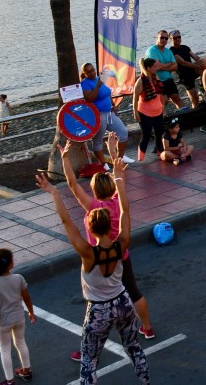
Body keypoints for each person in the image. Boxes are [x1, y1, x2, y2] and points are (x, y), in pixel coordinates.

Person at [33, 165, 150, 384]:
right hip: (123, 302)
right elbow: (125, 210)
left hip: (99, 310)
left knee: (89, 360)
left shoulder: (88, 254)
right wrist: (119, 178)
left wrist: (54, 192)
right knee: (133, 348)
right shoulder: (121, 244)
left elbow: (66, 221)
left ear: (91, 229)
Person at [60, 136, 157, 352]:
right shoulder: (119, 203)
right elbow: (120, 182)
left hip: (98, 260)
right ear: (112, 187)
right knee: (133, 291)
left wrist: (65, 158)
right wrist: (113, 155)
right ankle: (147, 327)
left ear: (94, 190)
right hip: (121, 255)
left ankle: (88, 347)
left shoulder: (93, 206)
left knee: (95, 305)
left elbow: (72, 184)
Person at [0, 248, 35, 385]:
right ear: (10, 265)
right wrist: (31, 312)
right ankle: (27, 371)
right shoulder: (19, 278)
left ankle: (9, 381)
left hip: (4, 322)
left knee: (5, 349)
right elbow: (26, 297)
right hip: (19, 317)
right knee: (21, 342)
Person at [79, 63, 134, 165]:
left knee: (123, 133)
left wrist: (113, 104)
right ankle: (103, 164)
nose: (92, 73)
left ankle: (120, 158)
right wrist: (97, 86)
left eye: (93, 70)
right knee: (98, 140)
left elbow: (107, 93)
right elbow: (89, 99)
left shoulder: (99, 78)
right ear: (84, 73)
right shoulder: (85, 83)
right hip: (98, 115)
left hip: (109, 112)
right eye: (89, 72)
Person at [169, 30, 206, 116]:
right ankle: (195, 113)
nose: (178, 39)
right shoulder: (171, 51)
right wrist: (198, 66)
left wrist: (204, 62)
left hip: (192, 70)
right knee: (194, 98)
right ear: (171, 39)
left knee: (204, 61)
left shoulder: (185, 47)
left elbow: (195, 57)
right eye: (175, 38)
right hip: (185, 75)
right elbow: (183, 62)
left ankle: (202, 85)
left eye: (179, 37)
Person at [132, 58, 166, 161]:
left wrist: (163, 105)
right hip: (145, 113)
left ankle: (160, 151)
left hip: (158, 111)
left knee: (159, 133)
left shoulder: (156, 78)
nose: (157, 68)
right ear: (148, 68)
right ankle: (141, 158)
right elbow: (135, 98)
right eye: (155, 67)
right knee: (146, 135)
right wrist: (135, 112)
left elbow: (160, 94)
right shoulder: (141, 81)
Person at [144, 30, 183, 110]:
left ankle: (183, 114)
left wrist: (163, 66)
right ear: (157, 38)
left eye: (166, 38)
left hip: (168, 79)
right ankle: (160, 116)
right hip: (157, 80)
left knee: (177, 99)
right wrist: (169, 64)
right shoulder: (152, 50)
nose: (164, 40)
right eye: (162, 38)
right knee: (164, 101)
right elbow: (157, 66)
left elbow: (175, 66)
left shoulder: (168, 51)